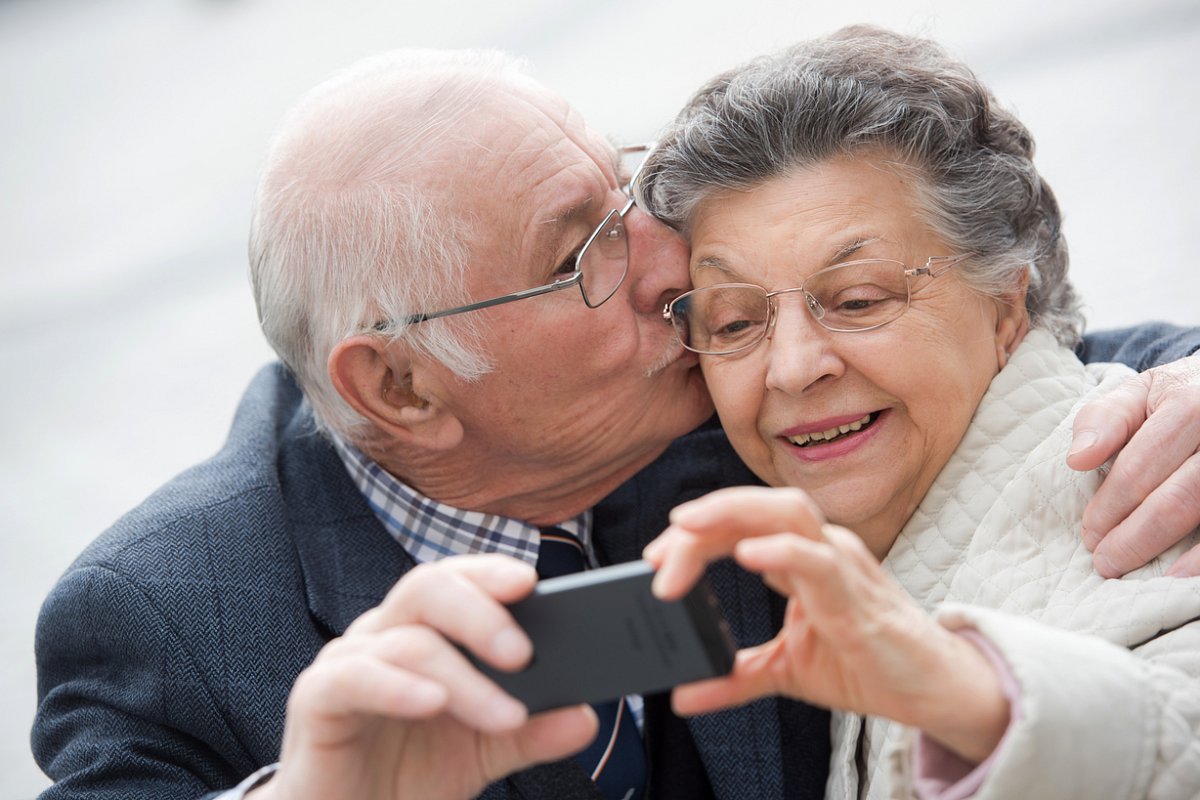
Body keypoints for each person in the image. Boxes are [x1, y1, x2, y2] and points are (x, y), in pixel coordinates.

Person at [30, 46, 1200, 800]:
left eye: (622, 195)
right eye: (579, 252)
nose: (673, 265)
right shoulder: (162, 618)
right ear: (402, 387)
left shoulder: (718, 393)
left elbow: (1003, 362)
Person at [636, 25, 1200, 798]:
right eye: (735, 322)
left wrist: (982, 703)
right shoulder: (717, 524)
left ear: (1007, 307)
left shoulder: (1162, 483)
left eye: (858, 299)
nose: (795, 368)